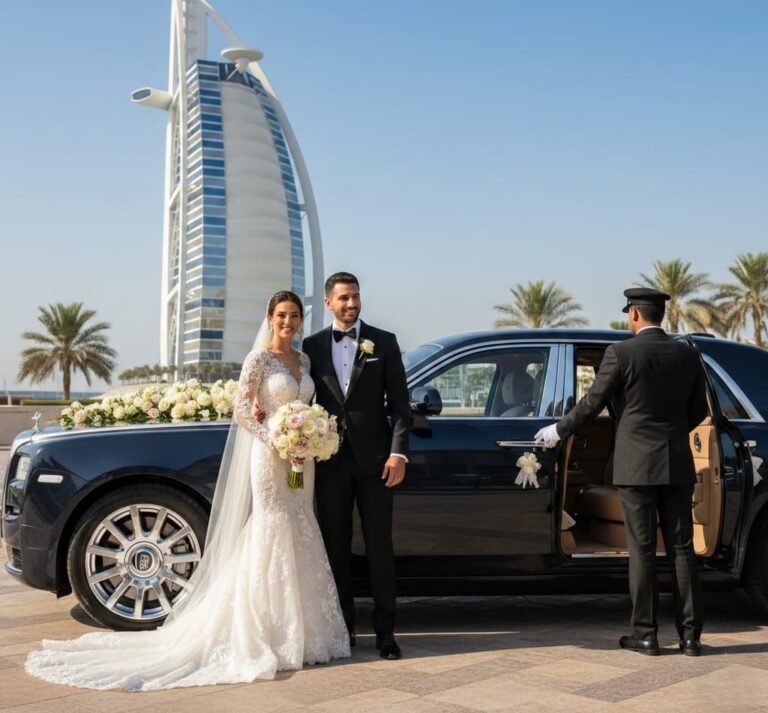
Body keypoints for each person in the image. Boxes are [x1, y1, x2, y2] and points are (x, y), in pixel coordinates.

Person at [25, 291, 350, 691]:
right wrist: (276, 440)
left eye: (294, 315)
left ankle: (308, 634)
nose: (288, 321)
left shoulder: (303, 361)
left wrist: (306, 442)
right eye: (282, 315)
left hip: (302, 462)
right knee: (272, 528)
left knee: (302, 526)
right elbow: (242, 409)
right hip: (270, 456)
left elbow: (304, 406)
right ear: (270, 317)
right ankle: (269, 631)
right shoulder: (258, 359)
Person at [535, 287, 708, 657]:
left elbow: (592, 402)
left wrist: (559, 429)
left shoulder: (620, 353)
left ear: (634, 315)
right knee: (682, 550)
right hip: (677, 464)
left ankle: (645, 635)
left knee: (642, 551)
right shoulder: (687, 355)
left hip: (636, 466)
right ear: (658, 315)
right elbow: (699, 412)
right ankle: (691, 637)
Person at [302, 272, 410, 660]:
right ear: (329, 303)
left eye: (356, 296)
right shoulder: (311, 346)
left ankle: (386, 633)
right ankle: (342, 631)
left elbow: (400, 404)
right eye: (344, 298)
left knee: (381, 547)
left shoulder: (385, 342)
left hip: (378, 463)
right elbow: (301, 402)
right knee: (335, 549)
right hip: (329, 463)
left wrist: (398, 453)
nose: (351, 304)